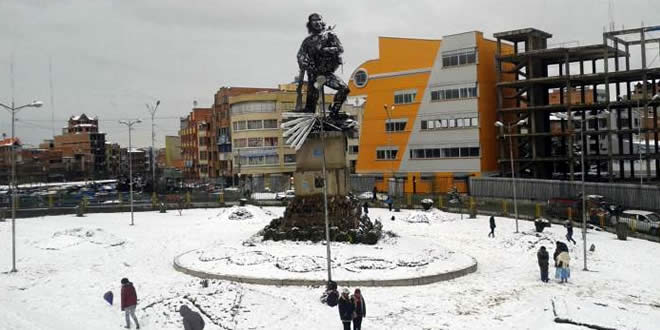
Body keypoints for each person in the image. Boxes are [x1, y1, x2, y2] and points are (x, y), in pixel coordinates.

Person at [297, 13, 350, 116]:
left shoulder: (329, 35)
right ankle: (311, 121)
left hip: (325, 74)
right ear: (310, 24)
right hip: (314, 76)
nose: (317, 22)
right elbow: (300, 55)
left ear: (322, 21)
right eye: (314, 20)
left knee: (344, 89)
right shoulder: (307, 42)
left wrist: (325, 50)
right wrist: (305, 63)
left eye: (318, 19)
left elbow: (340, 49)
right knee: (310, 109)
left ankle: (334, 112)